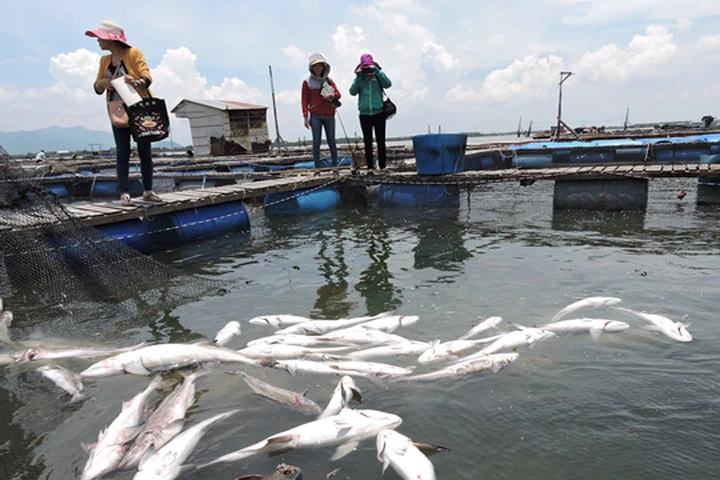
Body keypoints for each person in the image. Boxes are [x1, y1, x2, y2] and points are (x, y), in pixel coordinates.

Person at [86, 20, 162, 205]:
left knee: (145, 150)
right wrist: (105, 83)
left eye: (100, 38)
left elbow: (146, 76)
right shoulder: (104, 61)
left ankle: (148, 190)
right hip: (117, 109)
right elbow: (97, 87)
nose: (98, 41)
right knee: (122, 151)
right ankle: (124, 193)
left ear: (111, 40)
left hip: (139, 109)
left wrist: (135, 81)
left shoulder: (133, 53)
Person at [349, 53, 392, 173]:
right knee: (367, 141)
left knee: (381, 140)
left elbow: (388, 84)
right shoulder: (360, 79)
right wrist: (358, 77)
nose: (367, 70)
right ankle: (370, 167)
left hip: (379, 112)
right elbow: (352, 92)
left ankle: (383, 166)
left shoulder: (377, 77)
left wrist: (377, 72)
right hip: (365, 114)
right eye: (365, 68)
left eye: (369, 67)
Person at [301, 53, 341, 171]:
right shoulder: (307, 82)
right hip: (315, 115)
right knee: (316, 141)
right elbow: (304, 100)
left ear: (324, 67)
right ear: (312, 68)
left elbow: (338, 94)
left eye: (320, 66)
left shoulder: (329, 80)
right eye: (315, 66)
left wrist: (331, 94)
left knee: (331, 141)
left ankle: (335, 166)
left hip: (329, 115)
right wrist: (305, 117)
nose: (318, 68)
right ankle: (317, 168)